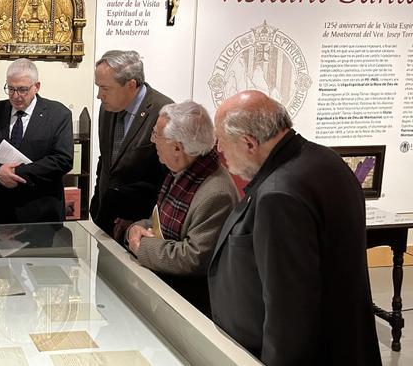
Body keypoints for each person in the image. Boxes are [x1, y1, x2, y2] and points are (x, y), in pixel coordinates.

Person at [208, 90, 380, 365]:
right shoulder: (327, 160)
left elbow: (288, 313)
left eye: (223, 142)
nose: (219, 151)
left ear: (249, 143)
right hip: (346, 342)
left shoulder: (278, 195)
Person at [125, 101, 237, 316]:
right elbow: (160, 222)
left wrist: (140, 246)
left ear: (177, 147)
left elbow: (192, 259)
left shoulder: (216, 193)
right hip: (170, 293)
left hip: (192, 307)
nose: (152, 140)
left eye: (157, 135)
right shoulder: (185, 172)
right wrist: (137, 228)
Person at [0, 58, 73, 224]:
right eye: (10, 89)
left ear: (37, 87)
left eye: (22, 90)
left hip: (41, 212)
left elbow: (63, 160)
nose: (16, 96)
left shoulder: (58, 115)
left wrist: (15, 174)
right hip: (0, 212)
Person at [90, 50, 173, 238]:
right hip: (106, 217)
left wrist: (146, 222)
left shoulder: (163, 113)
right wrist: (97, 201)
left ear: (131, 85)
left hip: (139, 227)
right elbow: (107, 159)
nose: (99, 96)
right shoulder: (108, 108)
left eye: (105, 88)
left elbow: (167, 179)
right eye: (98, 87)